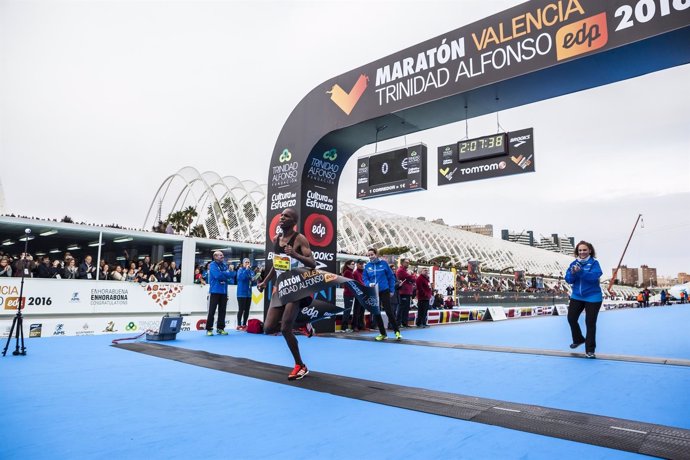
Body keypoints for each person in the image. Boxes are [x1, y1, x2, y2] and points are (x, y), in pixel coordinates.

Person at [257, 208, 316, 381]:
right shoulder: (277, 240)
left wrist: (295, 254)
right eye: (281, 215)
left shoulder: (300, 239)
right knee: (268, 328)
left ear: (294, 221)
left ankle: (300, 365)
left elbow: (312, 263)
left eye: (286, 216)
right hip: (281, 286)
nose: (282, 217)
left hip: (296, 286)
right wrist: (265, 281)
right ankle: (302, 324)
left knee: (284, 328)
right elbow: (278, 264)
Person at [565, 241, 603, 359]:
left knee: (590, 323)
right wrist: (572, 273)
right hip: (577, 295)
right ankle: (578, 339)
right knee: (571, 318)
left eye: (584, 250)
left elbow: (593, 277)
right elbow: (568, 280)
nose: (582, 252)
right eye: (580, 250)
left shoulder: (594, 263)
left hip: (593, 297)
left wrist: (580, 272)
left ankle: (590, 350)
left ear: (590, 251)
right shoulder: (573, 263)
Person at [362, 248, 402, 341]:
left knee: (389, 311)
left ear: (376, 254)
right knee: (376, 312)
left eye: (372, 254)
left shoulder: (384, 264)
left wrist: (392, 290)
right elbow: (365, 278)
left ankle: (397, 332)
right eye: (369, 255)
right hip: (374, 291)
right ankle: (383, 333)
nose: (370, 257)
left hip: (384, 290)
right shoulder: (367, 266)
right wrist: (368, 284)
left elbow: (391, 277)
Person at [206, 250, 235, 336]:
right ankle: (209, 329)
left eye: (222, 255)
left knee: (223, 311)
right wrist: (226, 275)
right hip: (214, 291)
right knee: (212, 311)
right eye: (220, 255)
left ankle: (220, 328)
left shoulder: (224, 265)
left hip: (224, 291)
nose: (222, 256)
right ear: (215, 257)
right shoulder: (212, 265)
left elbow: (231, 275)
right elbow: (217, 276)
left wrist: (230, 272)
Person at [396, 258, 416, 328]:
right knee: (402, 308)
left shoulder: (405, 271)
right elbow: (411, 278)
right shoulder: (401, 270)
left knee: (406, 308)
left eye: (408, 262)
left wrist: (412, 277)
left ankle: (404, 323)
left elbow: (412, 279)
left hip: (407, 291)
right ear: (402, 263)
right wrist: (413, 275)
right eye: (406, 262)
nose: (408, 264)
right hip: (403, 291)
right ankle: (398, 323)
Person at [236, 258, 253, 330]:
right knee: (241, 309)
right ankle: (239, 324)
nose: (247, 264)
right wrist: (246, 270)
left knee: (247, 310)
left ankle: (244, 324)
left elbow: (252, 281)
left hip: (248, 293)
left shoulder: (250, 271)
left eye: (248, 262)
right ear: (243, 263)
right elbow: (241, 278)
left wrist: (255, 279)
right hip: (241, 293)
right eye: (246, 262)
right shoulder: (240, 270)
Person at [340, 260, 356, 332]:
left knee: (348, 310)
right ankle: (344, 327)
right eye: (352, 264)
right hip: (348, 294)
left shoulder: (349, 272)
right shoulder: (348, 272)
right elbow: (349, 284)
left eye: (354, 264)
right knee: (347, 310)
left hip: (349, 294)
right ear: (348, 265)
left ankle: (344, 327)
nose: (353, 265)